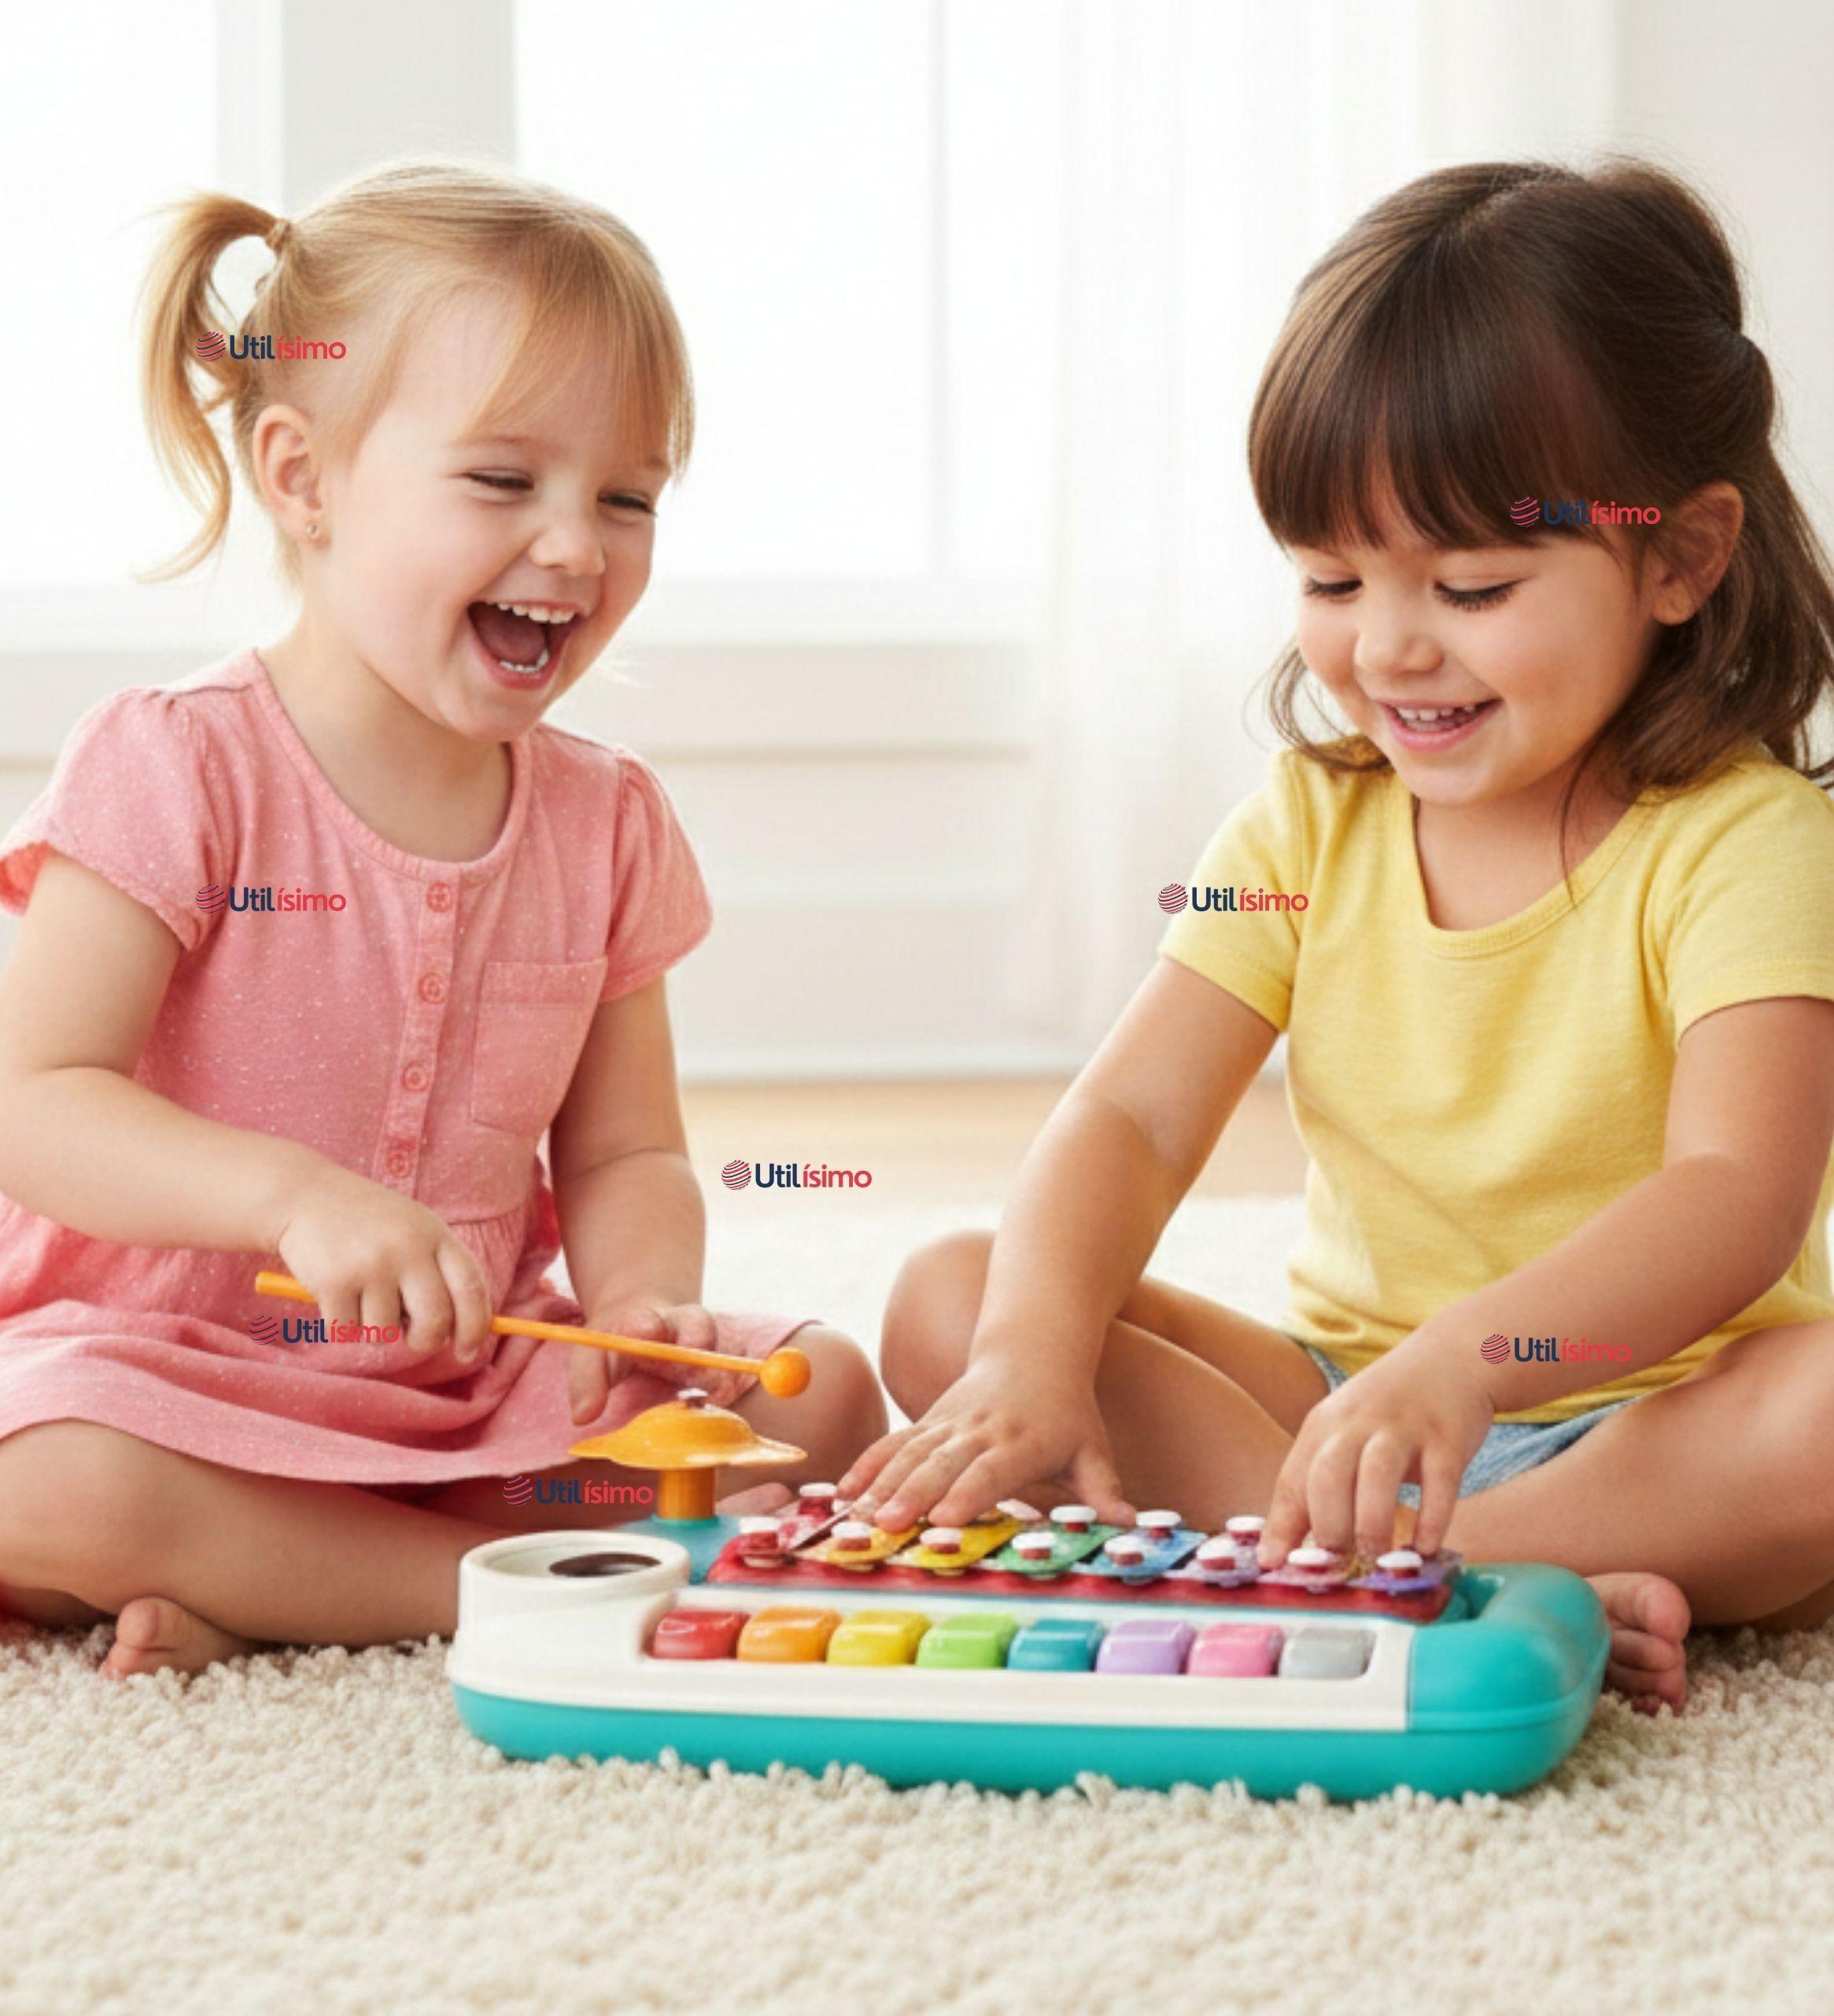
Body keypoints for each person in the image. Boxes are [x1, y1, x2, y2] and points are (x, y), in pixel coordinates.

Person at [846, 157, 1834, 1714]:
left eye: (1471, 585)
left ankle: (1405, 1561)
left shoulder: (1750, 844)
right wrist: (1027, 1354)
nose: (1385, 645)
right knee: (951, 1297)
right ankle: (1482, 1583)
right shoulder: (1300, 828)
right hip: (1331, 1408)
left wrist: (1472, 1365)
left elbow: (1734, 1198)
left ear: (1678, 558)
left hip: (1641, 1415)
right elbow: (1130, 1114)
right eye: (1329, 576)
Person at [0, 160, 884, 1678]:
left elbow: (625, 1151)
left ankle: (300, 1584)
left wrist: (641, 1305)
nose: (577, 545)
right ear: (303, 479)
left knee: (827, 1389)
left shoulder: (607, 820)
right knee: (56, 1477)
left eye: (626, 497)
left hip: (461, 1398)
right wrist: (291, 1199)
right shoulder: (174, 763)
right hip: (158, 1375)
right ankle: (484, 1585)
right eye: (503, 481)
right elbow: (32, 1099)